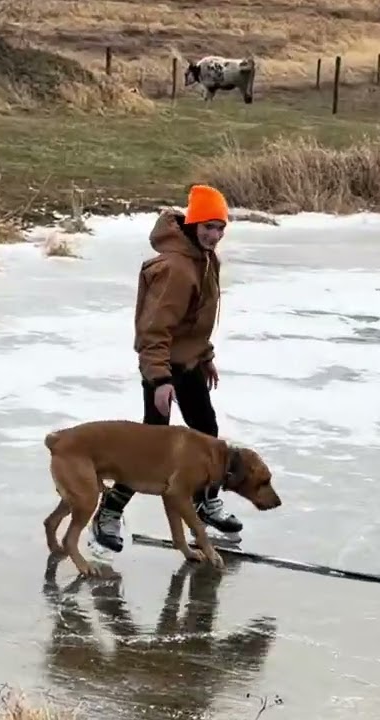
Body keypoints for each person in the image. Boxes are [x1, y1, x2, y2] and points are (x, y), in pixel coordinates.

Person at [91, 184, 244, 553]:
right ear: (192, 223)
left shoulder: (205, 259)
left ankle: (204, 502)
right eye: (208, 226)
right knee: (151, 450)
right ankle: (108, 513)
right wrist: (159, 379)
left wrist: (205, 357)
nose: (215, 235)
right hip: (161, 367)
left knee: (207, 434)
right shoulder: (176, 268)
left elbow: (195, 321)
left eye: (221, 227)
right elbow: (154, 330)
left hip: (188, 363)